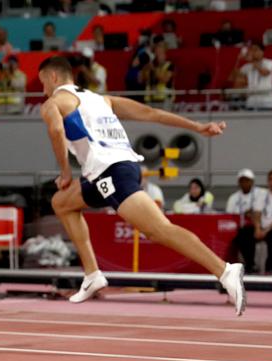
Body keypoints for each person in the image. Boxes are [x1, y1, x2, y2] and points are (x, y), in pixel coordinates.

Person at [37, 56, 245, 314]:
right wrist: (197, 127)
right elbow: (152, 113)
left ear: (54, 77)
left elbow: (56, 131)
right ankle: (92, 274)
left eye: (42, 82)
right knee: (62, 203)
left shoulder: (52, 104)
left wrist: (65, 172)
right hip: (119, 170)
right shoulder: (103, 100)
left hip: (111, 174)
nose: (42, 89)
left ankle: (224, 270)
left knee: (159, 230)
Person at [227, 169, 267, 273]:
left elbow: (262, 210)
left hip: (260, 227)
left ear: (252, 181)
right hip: (240, 228)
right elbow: (229, 215)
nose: (245, 183)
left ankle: (250, 265)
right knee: (240, 236)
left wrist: (252, 213)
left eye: (247, 180)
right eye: (242, 181)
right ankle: (250, 264)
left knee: (247, 234)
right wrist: (245, 213)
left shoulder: (261, 193)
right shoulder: (233, 198)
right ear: (239, 182)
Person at [230, 43, 272, 110]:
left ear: (262, 52)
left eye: (255, 50)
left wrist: (251, 60)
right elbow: (232, 78)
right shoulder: (247, 66)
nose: (253, 52)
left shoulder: (270, 62)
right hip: (251, 102)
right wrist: (238, 60)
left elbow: (264, 73)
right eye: (252, 50)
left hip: (266, 101)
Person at [145, 42, 175, 108]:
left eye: (160, 52)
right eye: (156, 52)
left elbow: (165, 79)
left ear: (164, 54)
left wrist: (153, 69)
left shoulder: (169, 65)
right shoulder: (151, 65)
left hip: (165, 98)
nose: (158, 54)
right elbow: (143, 79)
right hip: (152, 98)